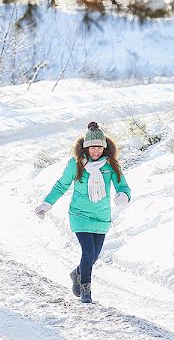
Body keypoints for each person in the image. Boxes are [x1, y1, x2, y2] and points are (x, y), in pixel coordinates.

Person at [35, 122, 131, 303]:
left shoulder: (111, 165)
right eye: (92, 147)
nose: (95, 151)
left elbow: (122, 185)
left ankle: (77, 273)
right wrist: (47, 204)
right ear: (85, 147)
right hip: (79, 215)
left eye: (99, 147)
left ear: (104, 147)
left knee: (94, 256)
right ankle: (86, 290)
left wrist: (123, 195)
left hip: (101, 217)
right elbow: (61, 185)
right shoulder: (77, 164)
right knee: (88, 252)